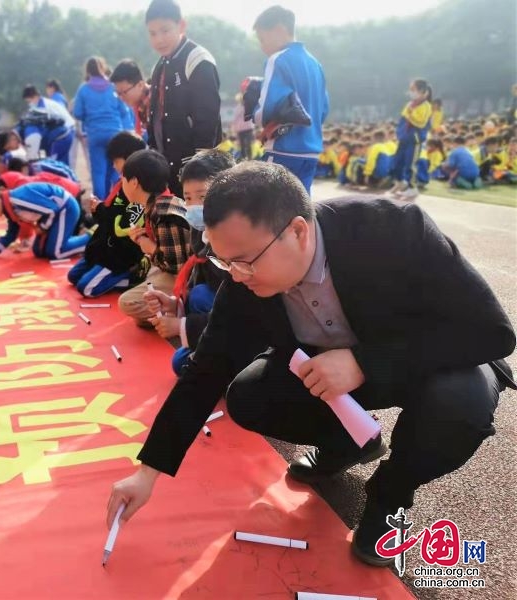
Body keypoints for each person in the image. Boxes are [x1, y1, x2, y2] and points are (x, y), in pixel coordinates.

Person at [106, 160, 515, 569]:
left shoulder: (392, 230)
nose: (236, 275)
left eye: (245, 260)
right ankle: (348, 442)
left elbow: (491, 332)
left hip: (432, 362)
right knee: (249, 396)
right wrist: (148, 473)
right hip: (332, 378)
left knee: (459, 407)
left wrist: (364, 362)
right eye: (223, 261)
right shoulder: (244, 280)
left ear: (298, 231)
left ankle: (390, 497)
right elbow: (204, 371)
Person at [143, 149, 233, 374]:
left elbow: (245, 310)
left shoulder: (237, 239)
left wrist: (181, 326)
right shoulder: (201, 230)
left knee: (201, 296)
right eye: (188, 198)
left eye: (203, 197)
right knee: (181, 361)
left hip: (249, 323)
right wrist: (173, 304)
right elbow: (197, 280)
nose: (194, 207)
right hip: (218, 307)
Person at [145, 0, 222, 196]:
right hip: (165, 164)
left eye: (165, 30)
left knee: (195, 221)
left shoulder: (197, 59)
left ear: (181, 25)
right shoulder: (159, 65)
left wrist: (199, 163)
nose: (159, 39)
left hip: (192, 165)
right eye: (152, 33)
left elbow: (208, 116)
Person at [250, 5, 329, 193]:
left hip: (283, 147)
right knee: (302, 208)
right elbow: (323, 110)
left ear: (279, 30)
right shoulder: (315, 64)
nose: (262, 46)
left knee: (271, 208)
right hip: (311, 150)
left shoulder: (277, 59)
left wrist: (254, 113)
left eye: (262, 38)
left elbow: (266, 110)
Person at [68, 132, 149, 298]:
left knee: (86, 288)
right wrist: (98, 209)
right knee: (73, 277)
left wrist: (100, 210)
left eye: (115, 161)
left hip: (118, 255)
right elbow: (112, 214)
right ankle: (105, 274)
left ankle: (133, 278)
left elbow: (121, 226)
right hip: (103, 247)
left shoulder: (140, 189)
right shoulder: (122, 183)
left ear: (129, 160)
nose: (113, 166)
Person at [116, 149, 191, 326]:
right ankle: (161, 311)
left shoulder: (164, 214)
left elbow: (176, 266)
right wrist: (144, 239)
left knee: (127, 303)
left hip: (186, 276)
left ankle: (180, 312)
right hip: (174, 269)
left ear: (134, 182)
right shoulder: (159, 203)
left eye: (123, 179)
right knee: (144, 307)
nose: (122, 184)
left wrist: (148, 246)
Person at [0, 183, 91, 260]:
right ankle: (72, 242)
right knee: (39, 251)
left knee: (56, 253)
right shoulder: (9, 207)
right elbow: (11, 234)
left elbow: (52, 209)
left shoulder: (18, 200)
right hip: (54, 214)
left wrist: (42, 227)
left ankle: (92, 239)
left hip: (66, 208)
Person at [72, 57, 133, 200]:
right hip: (115, 133)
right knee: (116, 170)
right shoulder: (113, 87)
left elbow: (78, 113)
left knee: (98, 172)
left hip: (95, 135)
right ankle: (117, 200)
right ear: (103, 68)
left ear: (87, 70)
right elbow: (124, 110)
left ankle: (100, 204)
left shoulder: (84, 89)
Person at [389, 78, 432, 201]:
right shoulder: (410, 104)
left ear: (422, 91)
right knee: (397, 161)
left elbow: (421, 123)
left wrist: (410, 114)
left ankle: (412, 187)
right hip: (404, 137)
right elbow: (403, 120)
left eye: (413, 89)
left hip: (414, 139)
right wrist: (399, 133)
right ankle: (400, 182)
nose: (411, 92)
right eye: (411, 89)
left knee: (410, 163)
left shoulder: (426, 106)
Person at [19, 85, 76, 165]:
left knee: (62, 162)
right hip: (61, 133)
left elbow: (59, 121)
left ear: (35, 96)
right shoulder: (37, 105)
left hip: (67, 132)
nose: (29, 104)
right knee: (60, 161)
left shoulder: (47, 105)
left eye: (29, 101)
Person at [110, 60, 152, 141]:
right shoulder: (139, 106)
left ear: (140, 85)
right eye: (118, 94)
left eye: (124, 92)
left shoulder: (155, 101)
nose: (121, 98)